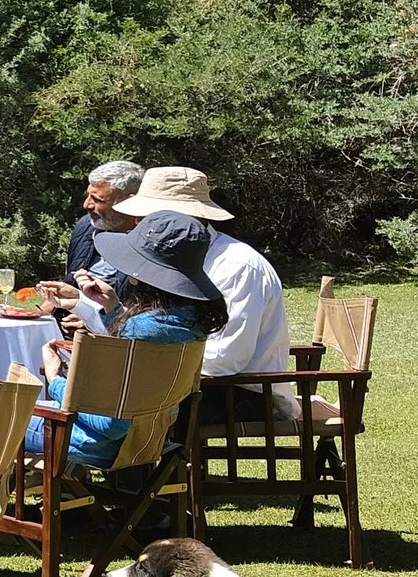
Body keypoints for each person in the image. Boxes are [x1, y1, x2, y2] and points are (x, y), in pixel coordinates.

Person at [0, 210, 226, 473]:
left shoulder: (144, 328)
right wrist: (111, 308)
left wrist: (54, 379)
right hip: (145, 441)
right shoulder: (186, 321)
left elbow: (110, 423)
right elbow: (131, 388)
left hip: (79, 438)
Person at [111, 167, 290, 422]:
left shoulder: (236, 266)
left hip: (237, 393)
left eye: (147, 216)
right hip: (189, 384)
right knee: (109, 398)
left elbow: (225, 360)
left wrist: (151, 364)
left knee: (127, 409)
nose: (138, 224)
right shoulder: (176, 259)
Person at [68, 159, 144, 278]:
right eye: (88, 195)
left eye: (97, 199)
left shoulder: (149, 243)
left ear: (129, 202)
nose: (86, 205)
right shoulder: (86, 226)